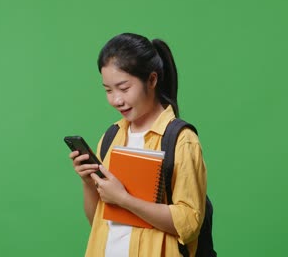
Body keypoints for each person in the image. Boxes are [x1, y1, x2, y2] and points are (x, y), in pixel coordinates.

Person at [69, 33, 207, 257]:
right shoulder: (111, 136)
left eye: (124, 88)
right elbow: (98, 221)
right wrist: (88, 182)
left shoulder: (180, 139)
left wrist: (124, 200)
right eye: (108, 90)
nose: (116, 100)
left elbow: (189, 223)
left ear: (152, 80)